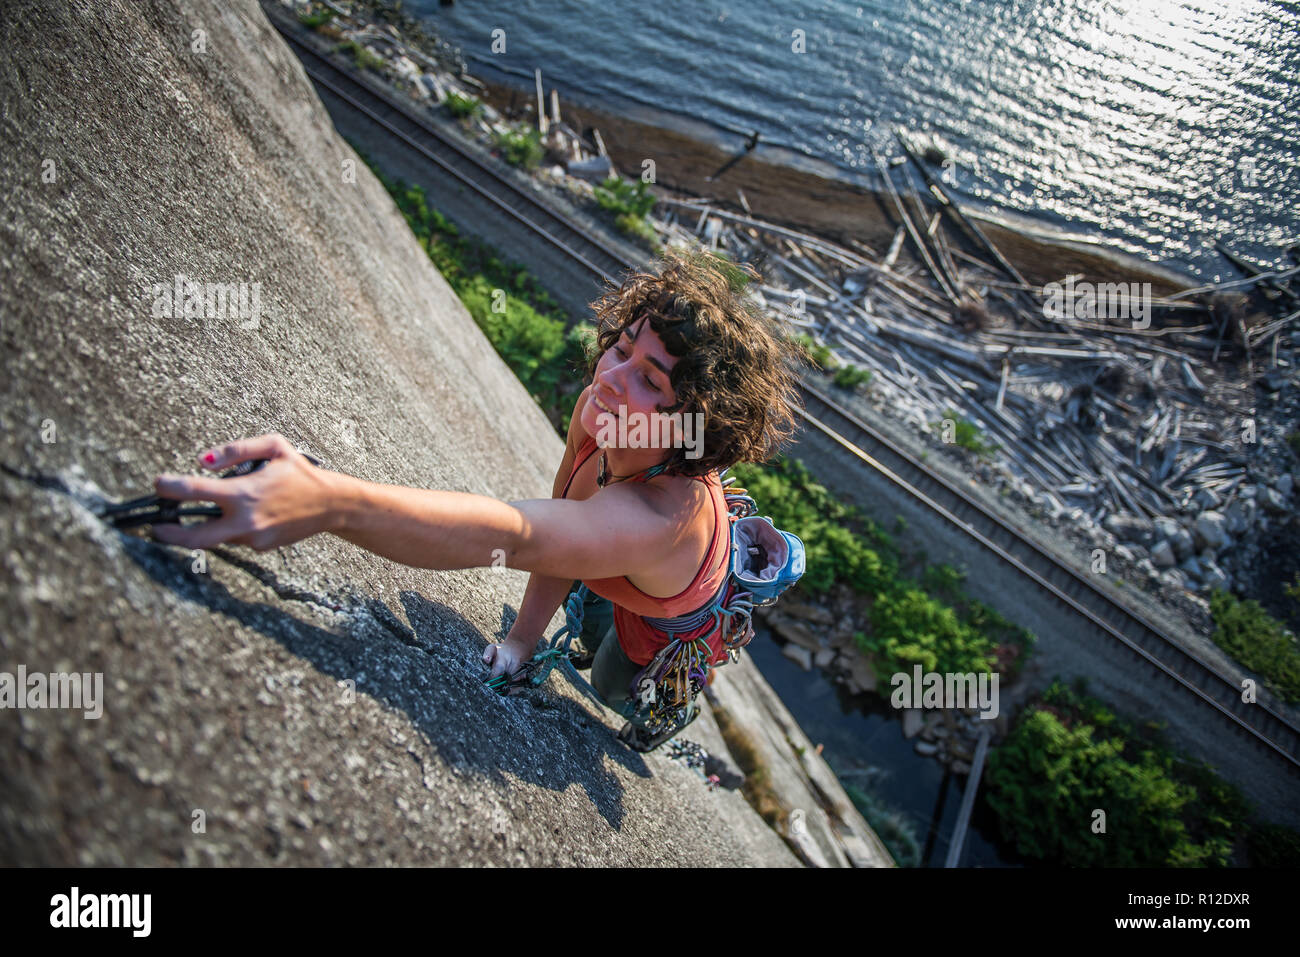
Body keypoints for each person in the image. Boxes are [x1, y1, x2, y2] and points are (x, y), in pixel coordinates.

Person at [150, 248, 802, 722]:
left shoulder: (659, 518)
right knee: (591, 609)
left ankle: (690, 670)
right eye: (622, 347)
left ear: (691, 424)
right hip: (624, 556)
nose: (611, 376)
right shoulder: (602, 412)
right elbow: (554, 525)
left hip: (671, 620)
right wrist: (522, 640)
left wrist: (327, 500)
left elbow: (516, 535)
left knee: (607, 680)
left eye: (651, 381)